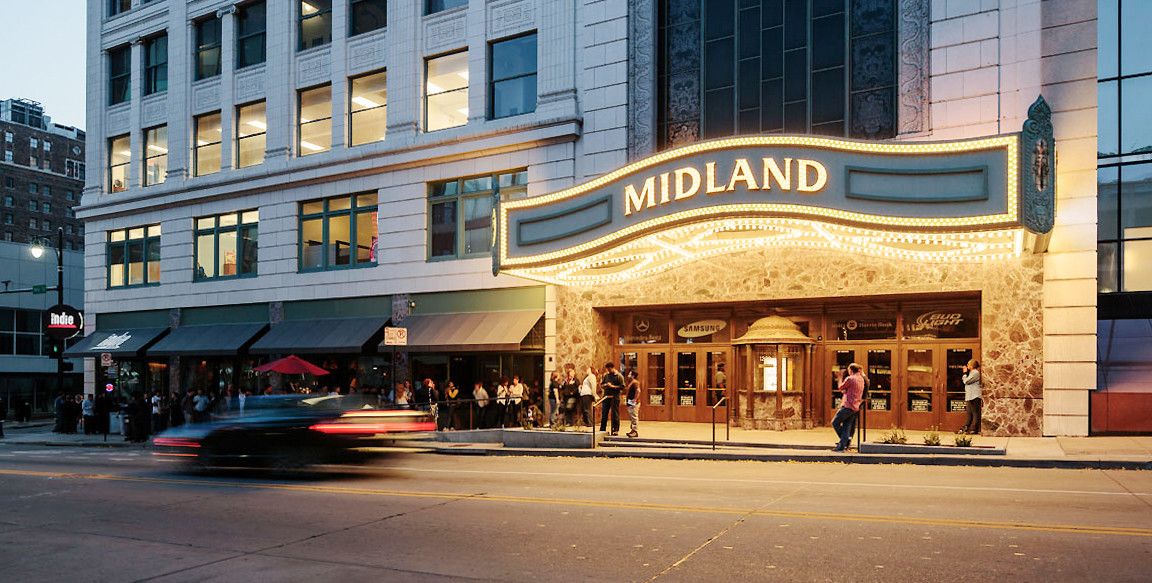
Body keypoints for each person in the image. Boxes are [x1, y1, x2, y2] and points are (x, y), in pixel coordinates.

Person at [832, 363, 866, 452]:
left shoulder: (850, 379)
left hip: (847, 406)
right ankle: (842, 446)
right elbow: (850, 390)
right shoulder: (861, 379)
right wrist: (846, 391)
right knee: (847, 426)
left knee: (835, 422)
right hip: (855, 406)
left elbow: (841, 387)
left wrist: (839, 378)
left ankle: (845, 441)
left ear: (851, 370)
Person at [599, 362, 625, 435]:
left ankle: (615, 429)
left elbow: (622, 386)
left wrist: (613, 386)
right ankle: (602, 428)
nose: (609, 371)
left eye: (610, 369)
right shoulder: (606, 376)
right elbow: (602, 384)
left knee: (615, 414)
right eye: (608, 369)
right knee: (604, 413)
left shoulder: (619, 376)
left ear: (613, 368)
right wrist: (605, 385)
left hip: (615, 397)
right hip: (606, 396)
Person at [960, 359, 983, 435]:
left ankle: (974, 429)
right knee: (969, 413)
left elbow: (966, 381)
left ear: (972, 365)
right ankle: (965, 428)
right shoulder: (972, 373)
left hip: (974, 396)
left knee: (975, 413)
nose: (967, 366)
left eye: (968, 364)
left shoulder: (975, 373)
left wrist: (964, 373)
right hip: (970, 396)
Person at [625, 370, 641, 438]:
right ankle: (632, 430)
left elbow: (638, 390)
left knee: (634, 416)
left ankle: (635, 431)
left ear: (633, 376)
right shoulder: (632, 382)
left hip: (633, 402)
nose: (628, 376)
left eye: (629, 374)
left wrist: (635, 399)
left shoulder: (635, 382)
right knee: (631, 417)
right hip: (630, 402)